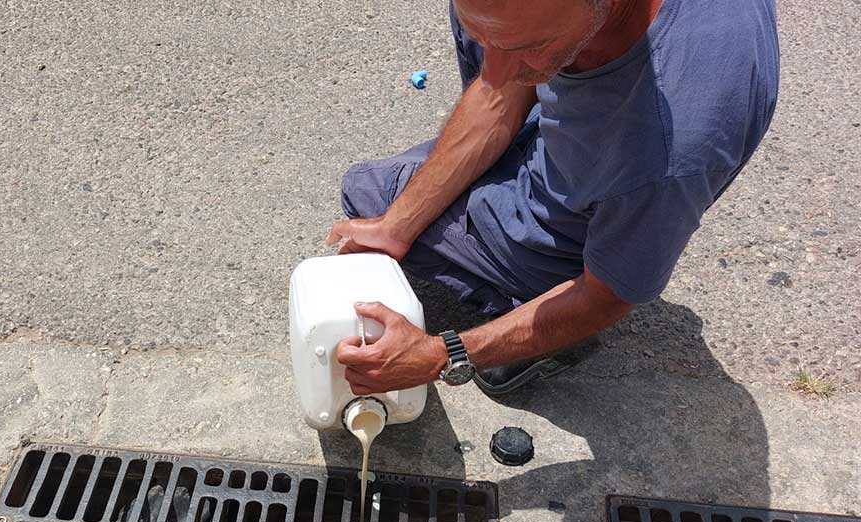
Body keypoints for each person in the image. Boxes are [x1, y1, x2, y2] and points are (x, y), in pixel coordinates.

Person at [326, 0, 778, 396]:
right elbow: (499, 79)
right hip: (605, 114)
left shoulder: (661, 150)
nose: (494, 75)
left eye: (529, 46)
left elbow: (606, 297)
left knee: (369, 193)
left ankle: (544, 314)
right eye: (490, 43)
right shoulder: (554, 22)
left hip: (616, 185)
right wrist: (397, 226)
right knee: (496, 25)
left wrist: (443, 354)